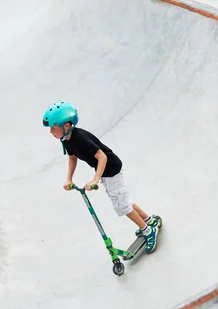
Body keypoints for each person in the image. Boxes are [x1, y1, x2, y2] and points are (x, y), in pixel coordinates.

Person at [42, 100, 161, 253]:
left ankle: (148, 231)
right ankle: (149, 221)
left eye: (53, 127)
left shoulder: (80, 138)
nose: (51, 132)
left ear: (66, 125)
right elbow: (72, 158)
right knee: (125, 200)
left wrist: (95, 179)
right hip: (106, 172)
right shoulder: (66, 140)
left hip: (111, 170)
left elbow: (102, 157)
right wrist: (69, 179)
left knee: (122, 206)